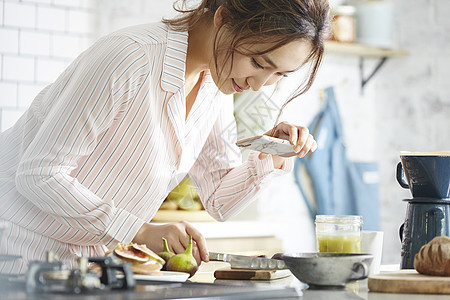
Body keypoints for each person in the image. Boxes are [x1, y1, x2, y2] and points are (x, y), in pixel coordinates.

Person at [0, 0, 330, 274]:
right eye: (258, 62)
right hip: (16, 252)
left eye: (279, 75)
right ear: (223, 17)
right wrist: (138, 230)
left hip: (84, 268)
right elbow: (38, 175)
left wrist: (269, 156)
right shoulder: (129, 57)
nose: (259, 84)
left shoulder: (216, 86)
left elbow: (218, 200)